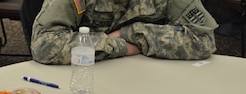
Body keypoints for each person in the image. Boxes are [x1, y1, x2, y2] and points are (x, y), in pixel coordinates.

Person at [30, 0, 218, 64]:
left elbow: (203, 40)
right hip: (86, 82)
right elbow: (44, 45)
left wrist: (133, 34)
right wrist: (120, 47)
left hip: (151, 83)